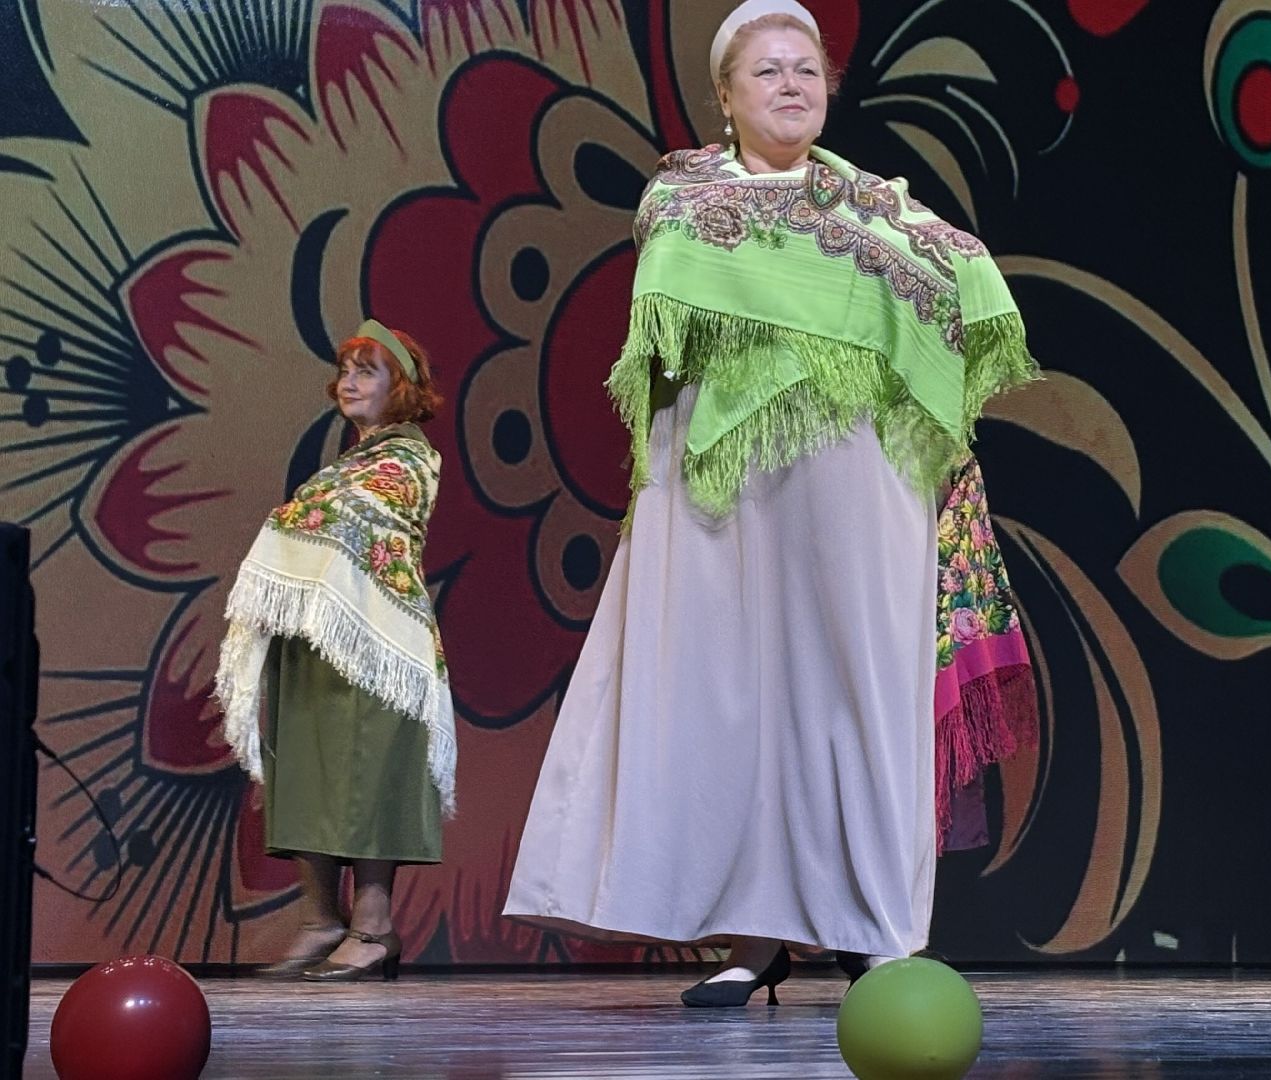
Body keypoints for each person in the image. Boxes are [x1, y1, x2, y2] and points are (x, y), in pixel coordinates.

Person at [503, 0, 1040, 1007]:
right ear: (726, 94)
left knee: (862, 695)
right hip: (726, 478)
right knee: (734, 702)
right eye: (767, 71)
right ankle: (756, 938)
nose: (791, 84)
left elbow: (968, 285)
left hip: (863, 477)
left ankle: (878, 932)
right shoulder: (684, 196)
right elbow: (667, 328)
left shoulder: (881, 210)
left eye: (805, 69)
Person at [214, 320, 455, 982]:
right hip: (321, 639)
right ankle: (321, 920)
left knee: (369, 773)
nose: (348, 382)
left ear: (399, 386)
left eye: (366, 371)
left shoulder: (409, 457)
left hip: (378, 642)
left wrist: (289, 524)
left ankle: (373, 929)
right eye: (345, 370)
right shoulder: (350, 461)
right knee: (307, 769)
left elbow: (353, 518)